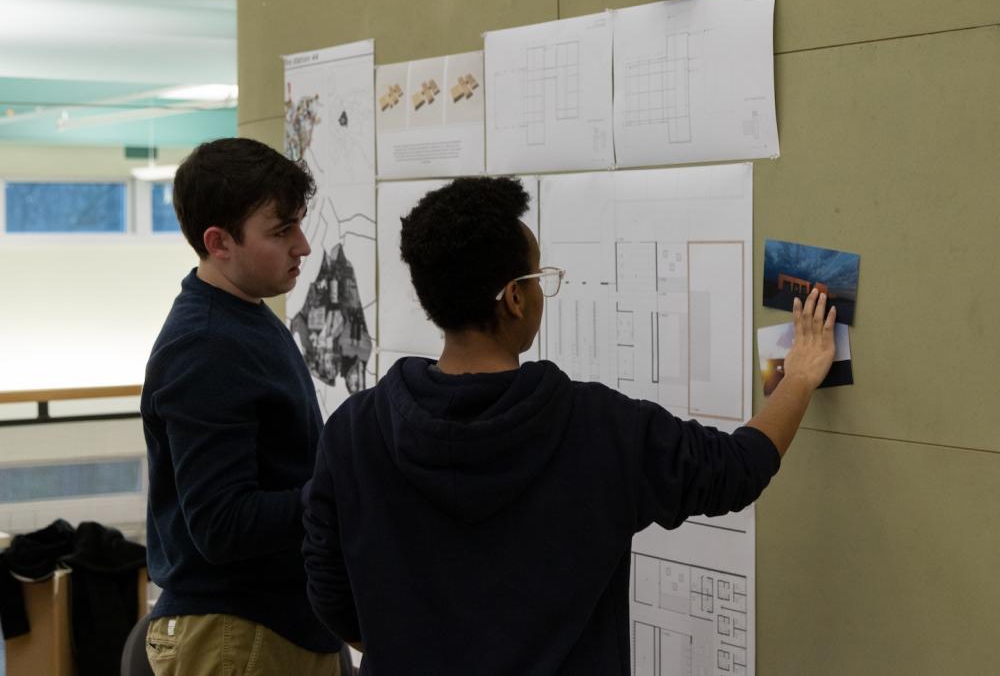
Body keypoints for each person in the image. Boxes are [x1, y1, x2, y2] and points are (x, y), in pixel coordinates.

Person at [302, 176, 835, 675]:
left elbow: (329, 591)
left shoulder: (352, 431)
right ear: (515, 297)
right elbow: (736, 470)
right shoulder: (600, 429)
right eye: (538, 277)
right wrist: (800, 377)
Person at [141, 138, 344, 675]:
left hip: (273, 627)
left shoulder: (244, 315)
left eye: (299, 224)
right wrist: (343, 489)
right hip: (235, 638)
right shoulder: (205, 345)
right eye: (281, 232)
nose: (302, 245)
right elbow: (221, 524)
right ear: (219, 241)